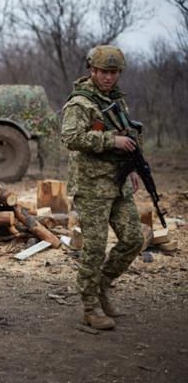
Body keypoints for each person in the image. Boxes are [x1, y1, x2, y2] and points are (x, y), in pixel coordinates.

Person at [61, 45, 144, 330]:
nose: (109, 78)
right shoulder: (80, 103)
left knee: (133, 238)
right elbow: (70, 137)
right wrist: (111, 141)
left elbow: (129, 134)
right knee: (95, 248)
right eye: (104, 72)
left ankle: (102, 285)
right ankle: (90, 307)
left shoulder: (117, 101)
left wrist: (133, 165)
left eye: (114, 72)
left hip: (118, 182)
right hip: (91, 185)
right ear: (92, 70)